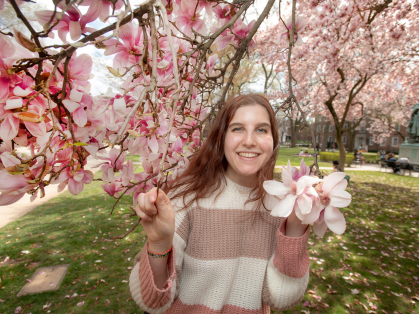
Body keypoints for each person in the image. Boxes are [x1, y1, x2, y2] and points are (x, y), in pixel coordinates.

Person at [130, 94, 311, 313]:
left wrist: (295, 227)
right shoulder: (187, 197)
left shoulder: (281, 205)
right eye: (237, 129)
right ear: (221, 138)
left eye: (262, 130)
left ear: (273, 140)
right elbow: (153, 302)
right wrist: (159, 247)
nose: (250, 141)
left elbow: (281, 297)